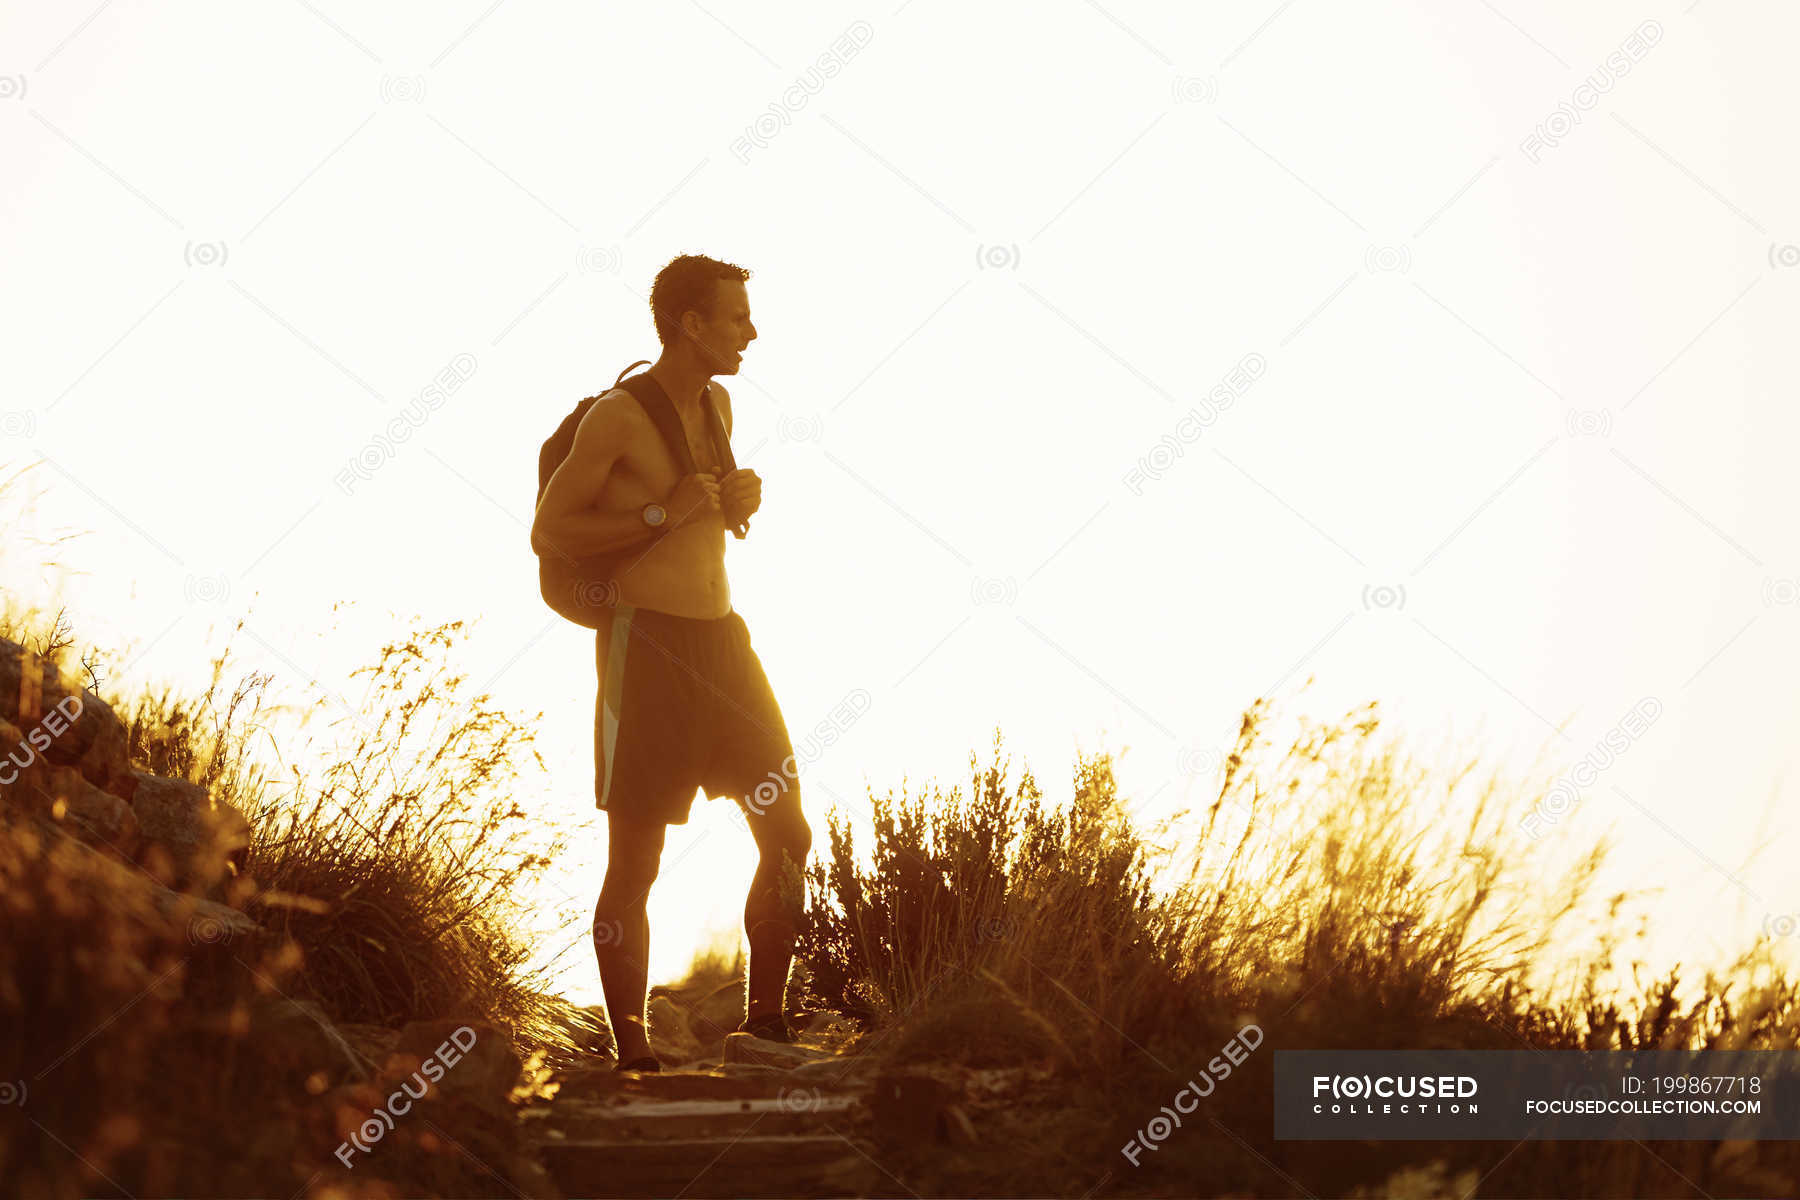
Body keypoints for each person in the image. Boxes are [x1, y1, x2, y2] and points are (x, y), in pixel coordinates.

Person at [530, 254, 811, 1072]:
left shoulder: (718, 405)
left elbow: (705, 516)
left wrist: (737, 499)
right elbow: (552, 533)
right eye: (735, 318)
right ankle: (633, 1047)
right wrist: (661, 511)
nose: (750, 331)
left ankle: (765, 1024)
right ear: (690, 323)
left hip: (726, 644)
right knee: (637, 859)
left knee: (787, 830)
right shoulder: (617, 417)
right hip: (644, 648)